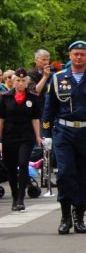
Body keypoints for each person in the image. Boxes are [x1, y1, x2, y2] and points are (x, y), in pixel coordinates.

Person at [41, 41, 86, 234]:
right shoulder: (57, 78)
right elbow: (49, 109)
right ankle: (65, 215)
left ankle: (79, 216)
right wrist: (45, 134)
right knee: (64, 173)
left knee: (83, 175)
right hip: (64, 132)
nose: (78, 57)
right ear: (70, 55)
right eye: (75, 54)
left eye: (82, 54)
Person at [0, 69, 43, 211]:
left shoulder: (32, 98)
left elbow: (35, 118)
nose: (20, 83)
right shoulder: (5, 97)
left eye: (23, 81)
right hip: (9, 136)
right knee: (11, 167)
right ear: (13, 81)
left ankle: (20, 197)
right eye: (18, 80)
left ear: (27, 82)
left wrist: (37, 136)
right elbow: (1, 119)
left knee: (23, 163)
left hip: (26, 136)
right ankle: (14, 195)